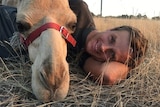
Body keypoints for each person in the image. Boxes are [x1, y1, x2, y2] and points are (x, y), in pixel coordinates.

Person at [0, 0, 148, 85]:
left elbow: (107, 75)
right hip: (14, 25)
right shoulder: (79, 8)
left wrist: (127, 68)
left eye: (112, 55)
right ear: (110, 29)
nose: (103, 47)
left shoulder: (85, 56)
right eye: (112, 39)